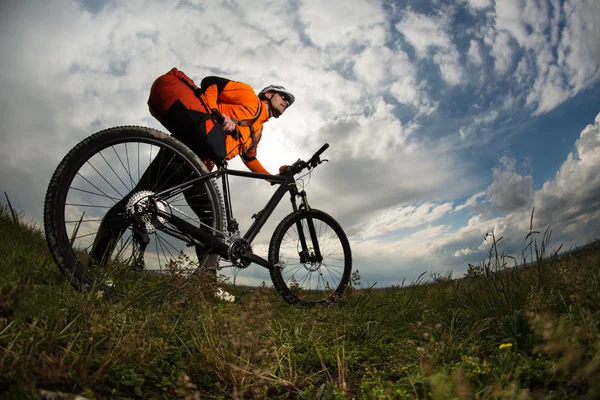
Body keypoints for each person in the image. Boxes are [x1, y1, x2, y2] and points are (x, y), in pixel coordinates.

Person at [89, 68, 295, 278]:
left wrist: (273, 178)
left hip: (201, 170)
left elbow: (250, 159)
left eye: (289, 102)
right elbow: (212, 82)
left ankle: (205, 281)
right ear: (268, 94)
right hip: (185, 151)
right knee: (136, 202)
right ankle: (93, 269)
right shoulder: (249, 96)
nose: (286, 103)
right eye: (284, 97)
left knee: (211, 222)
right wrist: (215, 113)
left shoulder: (257, 132)